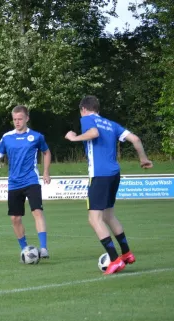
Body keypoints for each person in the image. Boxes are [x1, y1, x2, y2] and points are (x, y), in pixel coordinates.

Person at [65, 95, 153, 275]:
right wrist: (143, 159)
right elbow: (135, 139)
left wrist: (74, 138)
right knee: (108, 216)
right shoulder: (111, 123)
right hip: (114, 174)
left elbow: (94, 134)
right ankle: (127, 253)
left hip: (100, 174)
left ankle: (114, 259)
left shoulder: (87, 119)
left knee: (94, 219)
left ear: (83, 109)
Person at [0, 105, 52, 259]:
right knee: (15, 218)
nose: (17, 122)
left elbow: (46, 152)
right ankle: (25, 249)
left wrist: (46, 172)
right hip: (14, 183)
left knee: (37, 211)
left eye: (20, 119)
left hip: (31, 180)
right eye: (14, 119)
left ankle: (43, 248)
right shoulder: (7, 137)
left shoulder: (36, 136)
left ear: (27, 119)